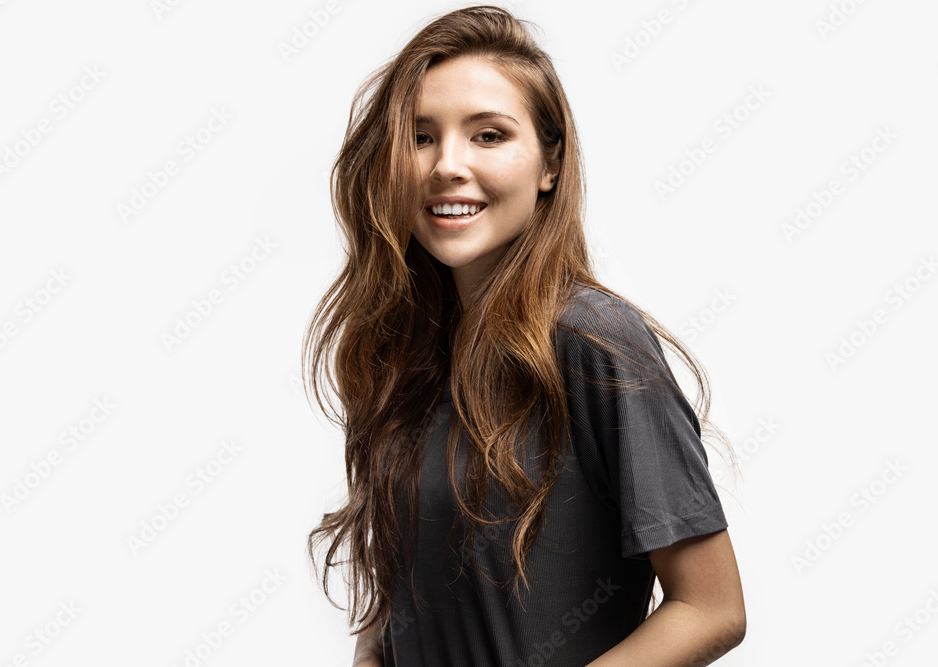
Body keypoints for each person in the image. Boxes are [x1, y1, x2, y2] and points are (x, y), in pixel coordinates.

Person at [304, 6, 746, 666]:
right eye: (420, 137)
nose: (447, 164)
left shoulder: (592, 339)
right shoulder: (403, 356)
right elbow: (398, 606)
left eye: (488, 135)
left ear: (550, 165)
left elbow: (711, 608)